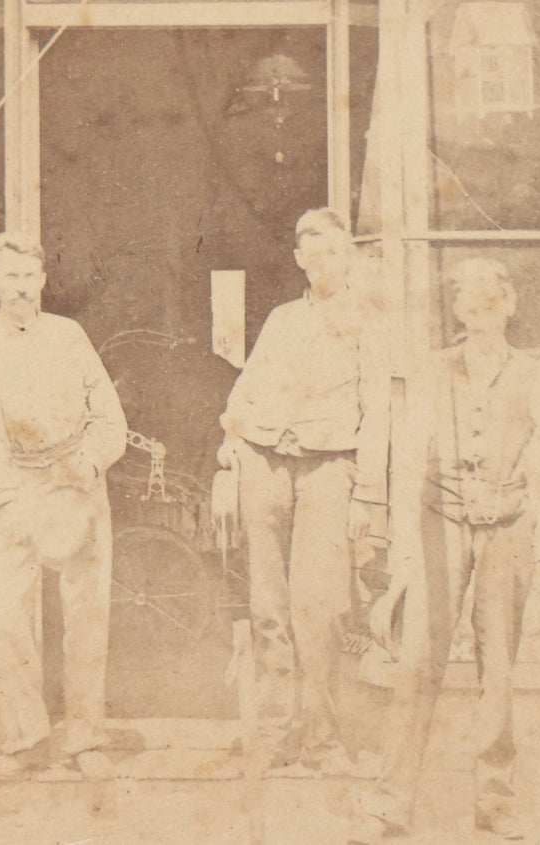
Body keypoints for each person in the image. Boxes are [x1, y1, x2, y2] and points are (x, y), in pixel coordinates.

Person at [350, 258, 540, 842]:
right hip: (439, 520)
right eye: (468, 298)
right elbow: (411, 452)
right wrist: (406, 557)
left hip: (508, 527)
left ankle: (496, 803)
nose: (480, 306)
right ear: (458, 310)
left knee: (498, 671)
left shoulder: (535, 373)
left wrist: (518, 499)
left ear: (510, 305)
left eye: (492, 296)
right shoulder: (432, 370)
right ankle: (388, 804)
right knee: (417, 663)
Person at [217, 207, 389, 773]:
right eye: (311, 255)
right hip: (265, 464)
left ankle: (323, 737)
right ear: (299, 261)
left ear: (349, 258)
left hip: (328, 468)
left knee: (322, 608)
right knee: (268, 605)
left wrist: (369, 492)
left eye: (333, 253)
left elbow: (379, 412)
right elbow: (244, 395)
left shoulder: (368, 320)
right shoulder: (282, 319)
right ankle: (276, 731)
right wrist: (231, 454)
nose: (323, 264)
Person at [0, 232, 128, 780]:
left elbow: (108, 414)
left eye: (30, 277)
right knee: (9, 616)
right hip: (16, 485)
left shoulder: (69, 335)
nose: (21, 288)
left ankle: (85, 736)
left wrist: (91, 462)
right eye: (10, 276)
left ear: (43, 282)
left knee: (85, 612)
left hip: (76, 478)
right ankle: (25, 738)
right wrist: (6, 494)